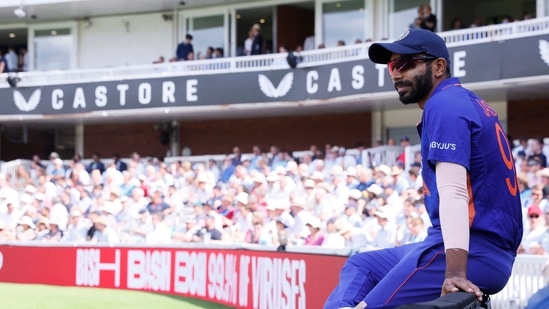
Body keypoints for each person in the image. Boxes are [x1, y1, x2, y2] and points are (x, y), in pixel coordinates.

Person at [324, 29, 523, 308]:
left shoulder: (443, 104)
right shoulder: (462, 101)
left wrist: (455, 273)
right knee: (362, 264)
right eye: (392, 65)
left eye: (405, 63)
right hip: (469, 245)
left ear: (439, 66)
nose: (395, 74)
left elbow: (454, 192)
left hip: (471, 251)